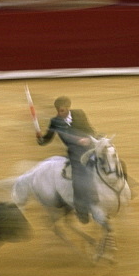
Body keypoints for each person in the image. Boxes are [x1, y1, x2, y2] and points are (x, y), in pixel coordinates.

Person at [36, 96, 99, 224]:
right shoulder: (55, 121)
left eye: (63, 111)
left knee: (108, 161)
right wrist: (39, 138)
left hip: (89, 147)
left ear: (68, 108)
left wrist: (88, 139)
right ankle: (81, 210)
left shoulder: (79, 114)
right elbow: (46, 140)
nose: (60, 113)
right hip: (75, 153)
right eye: (58, 111)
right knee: (79, 176)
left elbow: (90, 130)